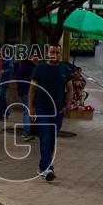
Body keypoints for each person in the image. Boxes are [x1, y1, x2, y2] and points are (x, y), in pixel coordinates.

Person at [27, 44, 74, 182]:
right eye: (52, 51)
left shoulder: (64, 69)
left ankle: (42, 167)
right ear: (47, 53)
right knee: (46, 138)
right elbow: (32, 89)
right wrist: (31, 108)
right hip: (42, 109)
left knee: (51, 140)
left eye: (57, 52)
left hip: (58, 111)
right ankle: (49, 168)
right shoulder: (40, 68)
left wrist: (68, 104)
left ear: (60, 54)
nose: (55, 54)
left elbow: (70, 89)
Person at [15, 53, 39, 141]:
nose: (36, 58)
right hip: (26, 92)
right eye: (34, 56)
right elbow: (18, 78)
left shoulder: (34, 66)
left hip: (32, 92)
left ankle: (29, 131)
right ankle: (26, 132)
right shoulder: (25, 65)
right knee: (27, 111)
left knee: (31, 111)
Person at [0, 45, 14, 121]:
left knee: (1, 97)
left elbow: (11, 69)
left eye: (1, 50)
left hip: (4, 81)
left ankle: (6, 114)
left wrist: (3, 72)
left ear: (5, 51)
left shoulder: (9, 58)